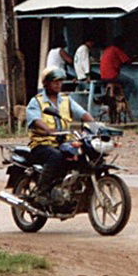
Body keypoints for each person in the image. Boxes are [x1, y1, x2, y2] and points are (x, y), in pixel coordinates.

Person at [25, 68, 94, 203]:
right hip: (42, 144)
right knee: (55, 156)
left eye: (60, 81)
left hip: (64, 143)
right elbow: (35, 120)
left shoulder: (66, 100)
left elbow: (83, 113)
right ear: (46, 84)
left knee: (84, 154)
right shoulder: (36, 101)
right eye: (54, 82)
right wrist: (49, 130)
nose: (58, 84)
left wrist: (96, 126)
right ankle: (41, 192)